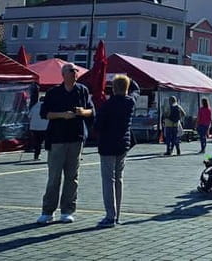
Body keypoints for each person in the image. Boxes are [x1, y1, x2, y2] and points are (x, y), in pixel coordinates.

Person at [37, 63, 95, 225]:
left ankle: (67, 210)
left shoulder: (82, 90)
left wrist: (82, 112)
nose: (75, 72)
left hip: (76, 138)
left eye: (76, 70)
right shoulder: (53, 92)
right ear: (64, 74)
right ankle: (47, 211)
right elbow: (44, 114)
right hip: (57, 139)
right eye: (72, 70)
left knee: (72, 177)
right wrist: (63, 115)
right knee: (54, 177)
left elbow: (92, 110)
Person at [95, 75, 139, 228]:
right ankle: (117, 214)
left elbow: (97, 126)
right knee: (119, 178)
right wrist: (129, 79)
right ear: (126, 89)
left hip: (107, 145)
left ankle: (110, 215)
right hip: (123, 145)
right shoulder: (130, 102)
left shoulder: (107, 105)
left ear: (113, 89)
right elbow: (136, 90)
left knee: (108, 180)